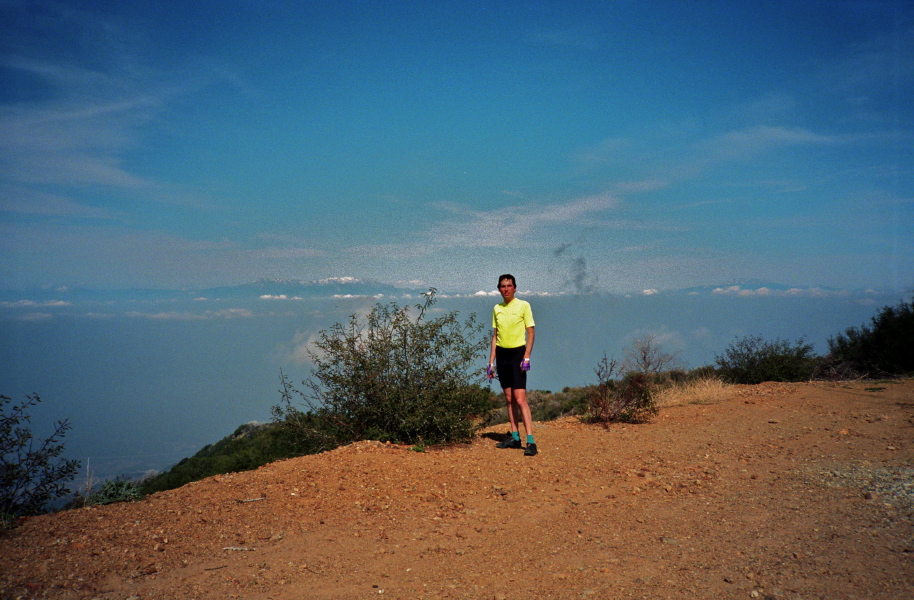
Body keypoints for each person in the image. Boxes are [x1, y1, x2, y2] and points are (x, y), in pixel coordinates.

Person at [487, 273, 537, 456]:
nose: (505, 289)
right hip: (502, 355)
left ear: (515, 288)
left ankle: (530, 441)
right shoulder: (497, 308)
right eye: (502, 286)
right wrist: (491, 362)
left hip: (517, 354)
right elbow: (495, 335)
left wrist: (527, 356)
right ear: (499, 288)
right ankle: (515, 437)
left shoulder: (524, 306)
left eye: (508, 286)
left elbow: (530, 332)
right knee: (508, 399)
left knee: (520, 399)